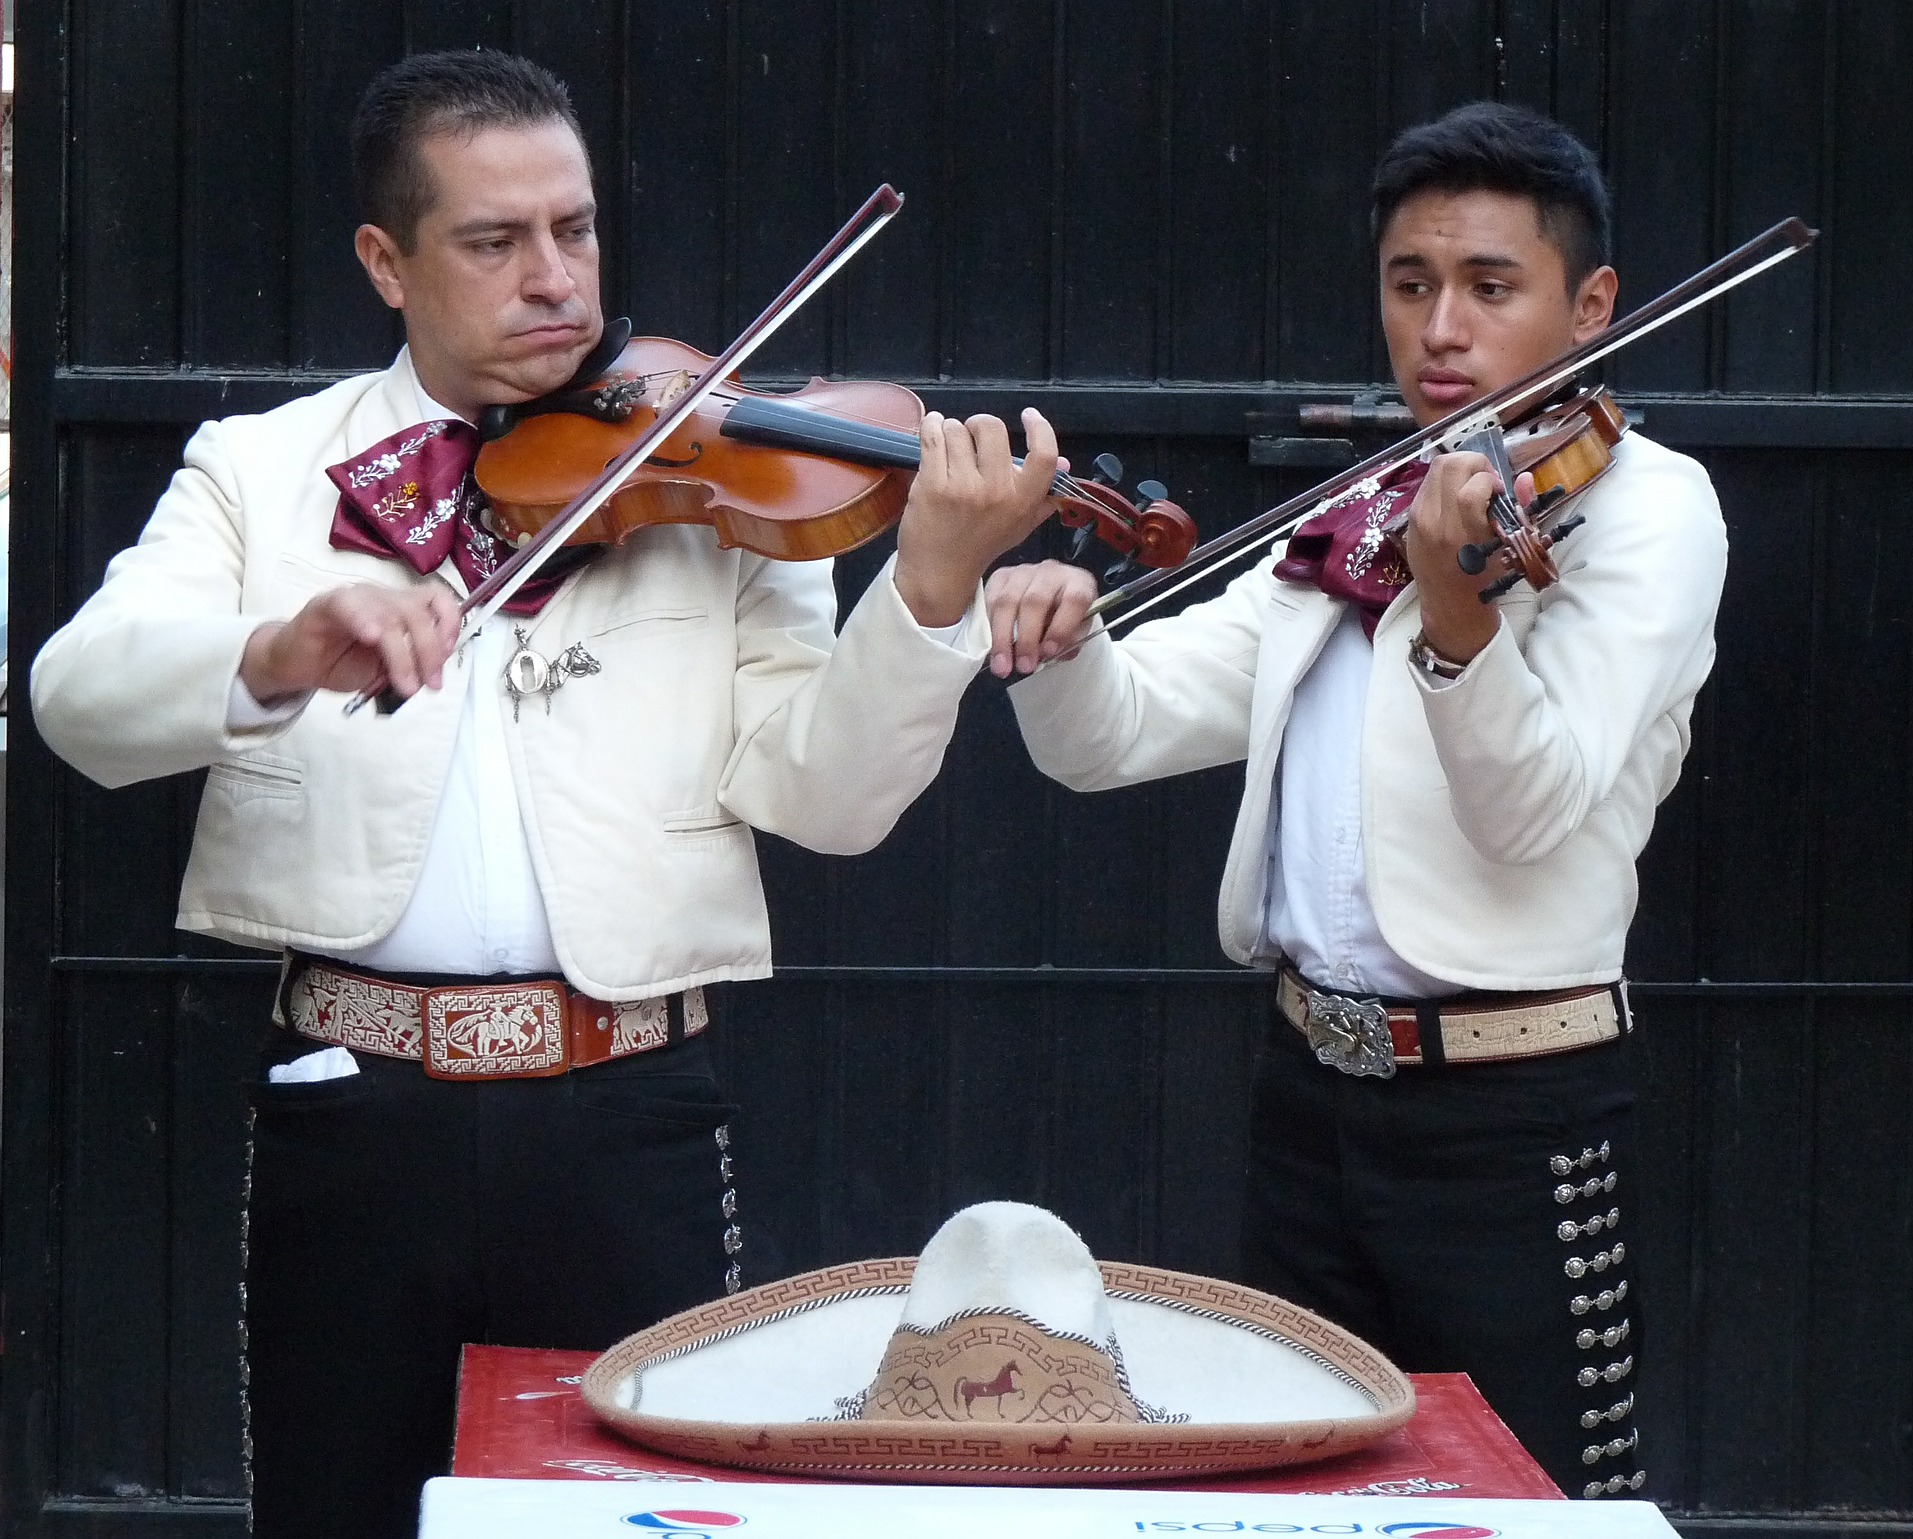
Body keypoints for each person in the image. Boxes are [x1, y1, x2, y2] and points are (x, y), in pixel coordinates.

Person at [31, 49, 1064, 1539]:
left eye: (574, 232)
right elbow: (80, 699)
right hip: (354, 1107)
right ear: (388, 262)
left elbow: (832, 804)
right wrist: (275, 648)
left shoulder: (726, 483)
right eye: (495, 243)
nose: (555, 282)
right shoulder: (262, 471)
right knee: (339, 1508)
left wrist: (932, 591)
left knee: (640, 1515)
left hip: (630, 1106)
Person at [987, 101, 1726, 1497]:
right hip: (1306, 1099)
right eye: (1410, 285)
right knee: (1294, 1495)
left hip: (1512, 1118)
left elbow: (1531, 808)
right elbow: (1113, 737)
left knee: (1530, 1508)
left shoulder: (1649, 509)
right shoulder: (1363, 514)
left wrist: (1458, 615)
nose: (1441, 329)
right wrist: (1052, 636)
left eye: (1490, 288)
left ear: (1593, 306)